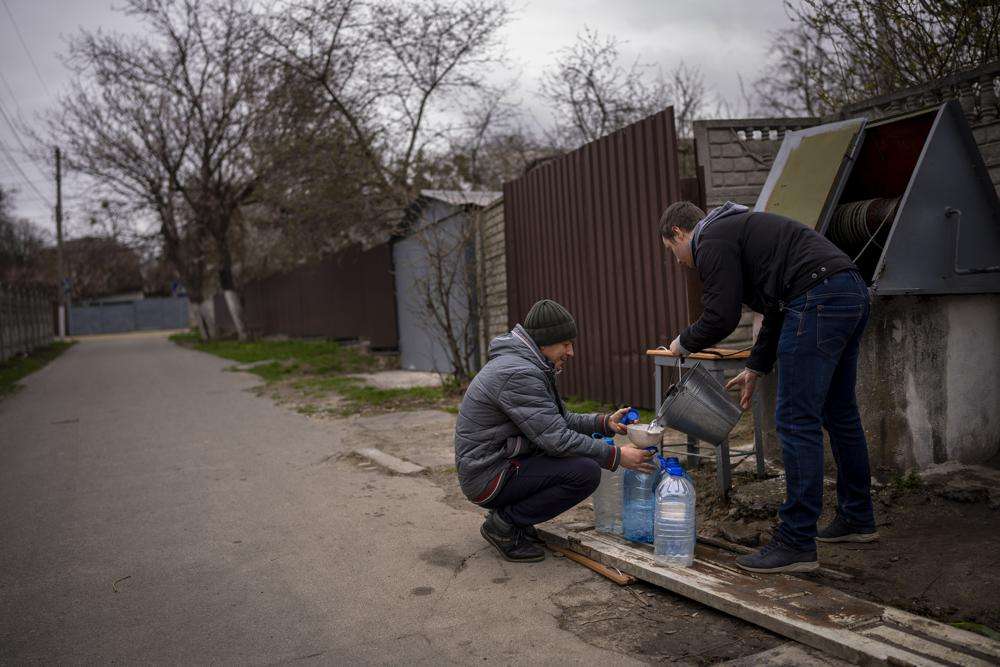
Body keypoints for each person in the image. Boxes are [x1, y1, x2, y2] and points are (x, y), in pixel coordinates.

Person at [658, 201, 877, 574]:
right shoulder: (739, 230)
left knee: (795, 419)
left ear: (679, 234)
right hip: (847, 289)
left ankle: (796, 542)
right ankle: (857, 516)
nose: (679, 261)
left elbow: (721, 317)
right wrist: (756, 367)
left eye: (671, 251)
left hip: (818, 298)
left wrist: (682, 343)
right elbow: (777, 307)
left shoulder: (710, 238)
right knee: (839, 412)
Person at [454, 298, 656, 563]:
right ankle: (503, 524)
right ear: (544, 343)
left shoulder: (527, 364)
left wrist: (603, 422)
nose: (571, 352)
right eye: (565, 344)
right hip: (488, 475)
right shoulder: (518, 373)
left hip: (499, 463)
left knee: (579, 463)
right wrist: (615, 456)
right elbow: (557, 439)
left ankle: (514, 520)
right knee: (584, 472)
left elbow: (557, 421)